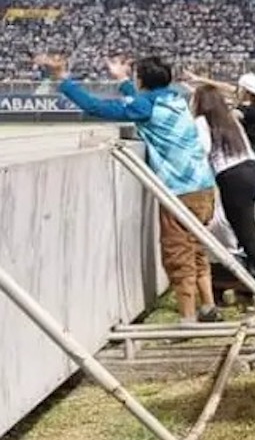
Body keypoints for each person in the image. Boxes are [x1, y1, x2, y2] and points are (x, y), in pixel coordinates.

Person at [39, 53, 221, 324]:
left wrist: (63, 80)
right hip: (204, 186)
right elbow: (140, 102)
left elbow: (96, 108)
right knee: (197, 248)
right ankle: (208, 306)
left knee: (177, 253)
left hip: (179, 190)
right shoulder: (175, 99)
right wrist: (123, 80)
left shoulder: (145, 106)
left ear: (142, 80)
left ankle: (187, 317)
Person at [192, 85, 255, 299]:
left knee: (245, 232)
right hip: (254, 169)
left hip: (232, 177)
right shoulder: (230, 120)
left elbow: (203, 150)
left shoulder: (202, 123)